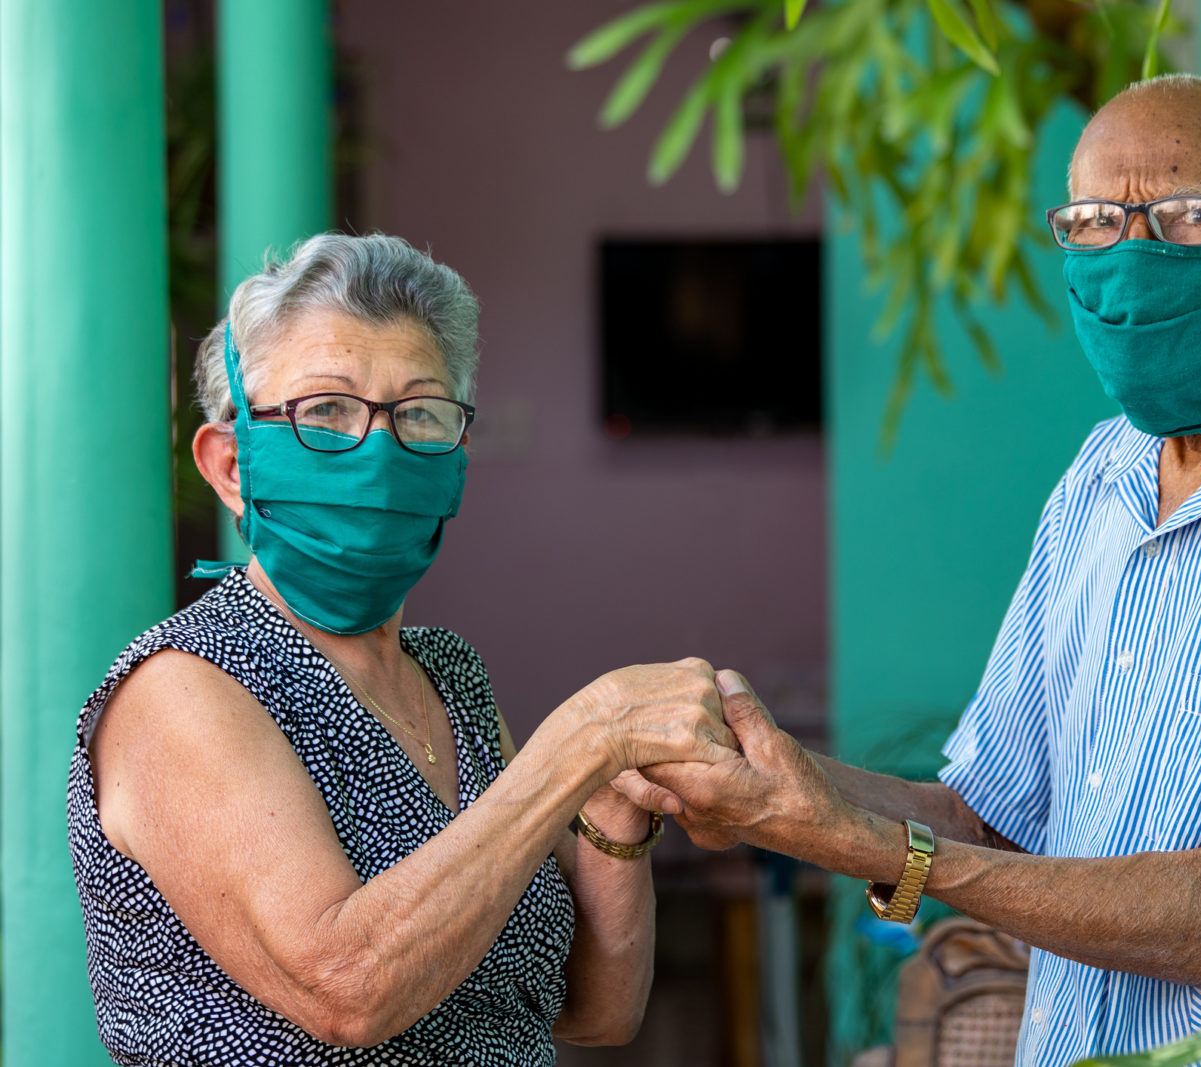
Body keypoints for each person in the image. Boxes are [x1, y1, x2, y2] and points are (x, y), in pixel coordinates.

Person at [627, 74, 1201, 1064]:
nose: (1133, 260)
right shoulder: (1101, 474)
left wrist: (862, 845)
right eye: (1095, 221)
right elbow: (992, 818)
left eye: (1190, 216)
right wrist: (780, 787)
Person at [68, 233, 738, 1066]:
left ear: (456, 454)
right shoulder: (182, 689)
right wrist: (584, 739)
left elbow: (593, 1010)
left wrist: (612, 802)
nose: (377, 452)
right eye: (326, 413)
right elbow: (347, 989)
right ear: (233, 465)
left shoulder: (449, 675)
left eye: (418, 413)